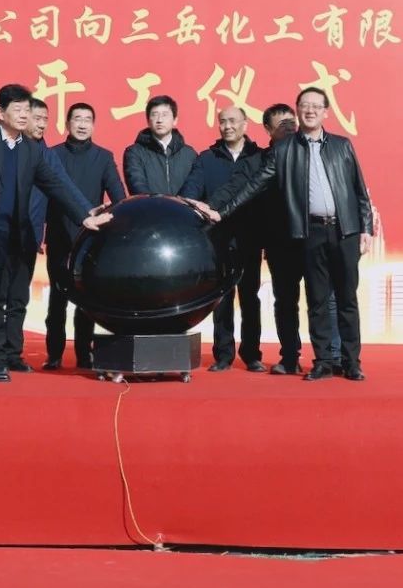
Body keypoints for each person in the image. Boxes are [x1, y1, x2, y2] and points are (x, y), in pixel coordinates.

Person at [0, 84, 109, 386]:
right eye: (17, 109)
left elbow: (56, 184)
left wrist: (85, 215)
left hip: (4, 236)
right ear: (0, 112)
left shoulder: (30, 149)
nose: (23, 115)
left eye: (27, 110)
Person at [197, 87, 373, 381]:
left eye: (315, 106)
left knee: (342, 299)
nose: (307, 113)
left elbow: (359, 190)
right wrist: (220, 210)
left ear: (324, 112)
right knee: (307, 301)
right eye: (304, 106)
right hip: (297, 237)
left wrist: (366, 227)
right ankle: (311, 360)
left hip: (337, 232)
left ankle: (348, 360)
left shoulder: (341, 146)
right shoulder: (278, 153)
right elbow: (249, 186)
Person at [0, 97, 88, 373]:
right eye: (37, 118)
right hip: (1, 234)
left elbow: (64, 186)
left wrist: (87, 213)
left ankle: (12, 353)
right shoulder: (7, 149)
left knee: (19, 298)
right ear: (23, 118)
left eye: (46, 119)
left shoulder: (46, 154)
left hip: (28, 237)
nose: (42, 124)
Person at [42, 102, 126, 370]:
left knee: (87, 301)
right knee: (57, 300)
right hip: (59, 236)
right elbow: (41, 198)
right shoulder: (51, 155)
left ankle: (84, 353)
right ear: (67, 124)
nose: (82, 124)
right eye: (77, 119)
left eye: (87, 119)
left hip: (91, 241)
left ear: (94, 125)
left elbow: (119, 197)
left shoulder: (104, 157)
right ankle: (54, 354)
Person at [182, 106, 264, 372]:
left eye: (233, 121)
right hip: (218, 240)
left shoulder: (260, 157)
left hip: (250, 238)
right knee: (222, 299)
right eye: (223, 122)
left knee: (250, 297)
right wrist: (192, 203)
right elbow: (192, 190)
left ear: (245, 124)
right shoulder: (207, 158)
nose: (227, 126)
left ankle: (251, 354)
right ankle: (223, 355)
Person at [122, 94, 197, 196]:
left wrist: (181, 204)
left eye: (165, 115)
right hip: (149, 206)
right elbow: (137, 185)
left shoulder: (189, 154)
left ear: (175, 120)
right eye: (154, 115)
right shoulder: (134, 153)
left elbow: (194, 188)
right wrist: (155, 203)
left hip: (181, 206)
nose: (159, 120)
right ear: (148, 121)